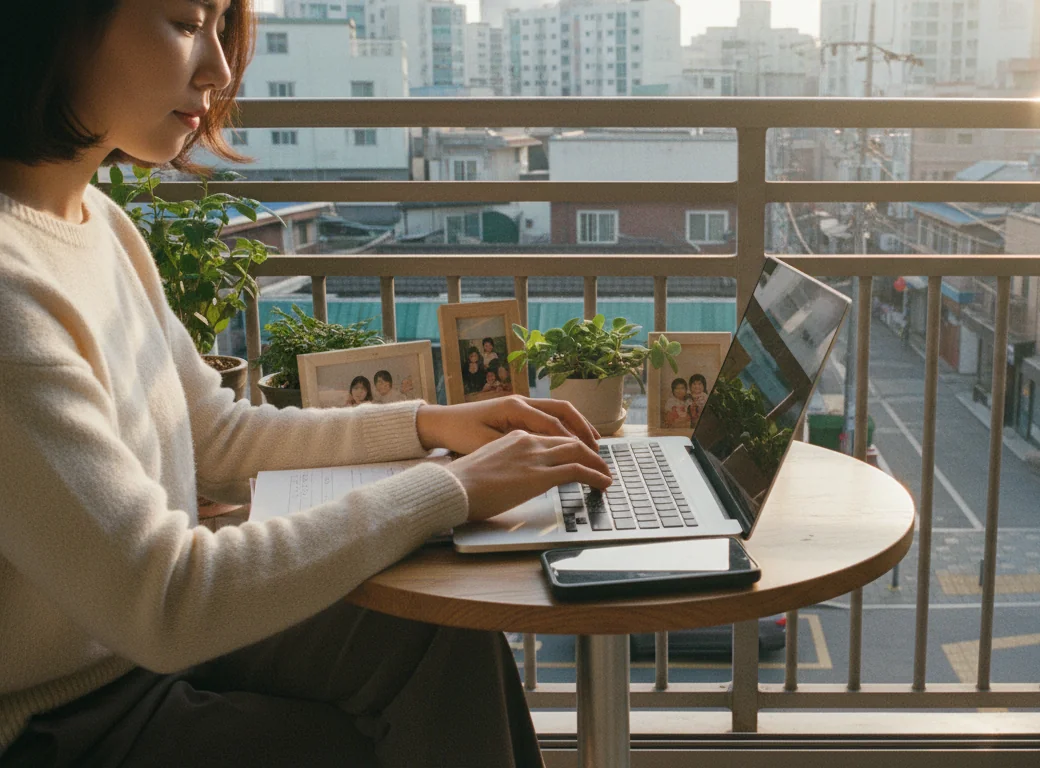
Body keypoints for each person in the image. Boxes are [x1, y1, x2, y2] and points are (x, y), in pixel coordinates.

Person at [0, 2, 611, 766]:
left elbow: (216, 436)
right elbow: (166, 600)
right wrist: (448, 488)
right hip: (62, 716)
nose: (219, 69)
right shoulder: (12, 296)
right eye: (185, 23)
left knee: (441, 636)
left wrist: (430, 426)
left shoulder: (98, 223)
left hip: (139, 656)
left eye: (221, 27)